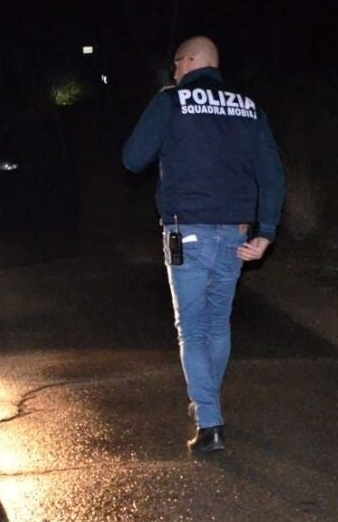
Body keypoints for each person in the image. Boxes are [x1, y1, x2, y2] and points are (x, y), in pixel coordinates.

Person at [122, 36, 284, 453]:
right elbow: (271, 174)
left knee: (192, 329)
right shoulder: (248, 107)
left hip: (186, 231)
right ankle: (206, 402)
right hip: (236, 233)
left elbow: (133, 158)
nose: (174, 72)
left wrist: (161, 106)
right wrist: (266, 232)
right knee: (217, 323)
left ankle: (210, 422)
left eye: (176, 64)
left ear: (191, 61)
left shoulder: (171, 101)